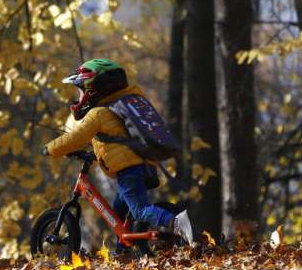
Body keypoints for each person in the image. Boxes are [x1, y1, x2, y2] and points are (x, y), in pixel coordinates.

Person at [42, 58, 192, 254]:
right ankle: (123, 250)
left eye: (80, 91)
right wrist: (96, 154)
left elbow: (76, 137)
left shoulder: (98, 113)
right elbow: (118, 139)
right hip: (144, 163)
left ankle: (177, 222)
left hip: (129, 169)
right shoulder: (119, 106)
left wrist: (51, 148)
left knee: (139, 209)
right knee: (120, 208)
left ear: (91, 90)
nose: (78, 97)